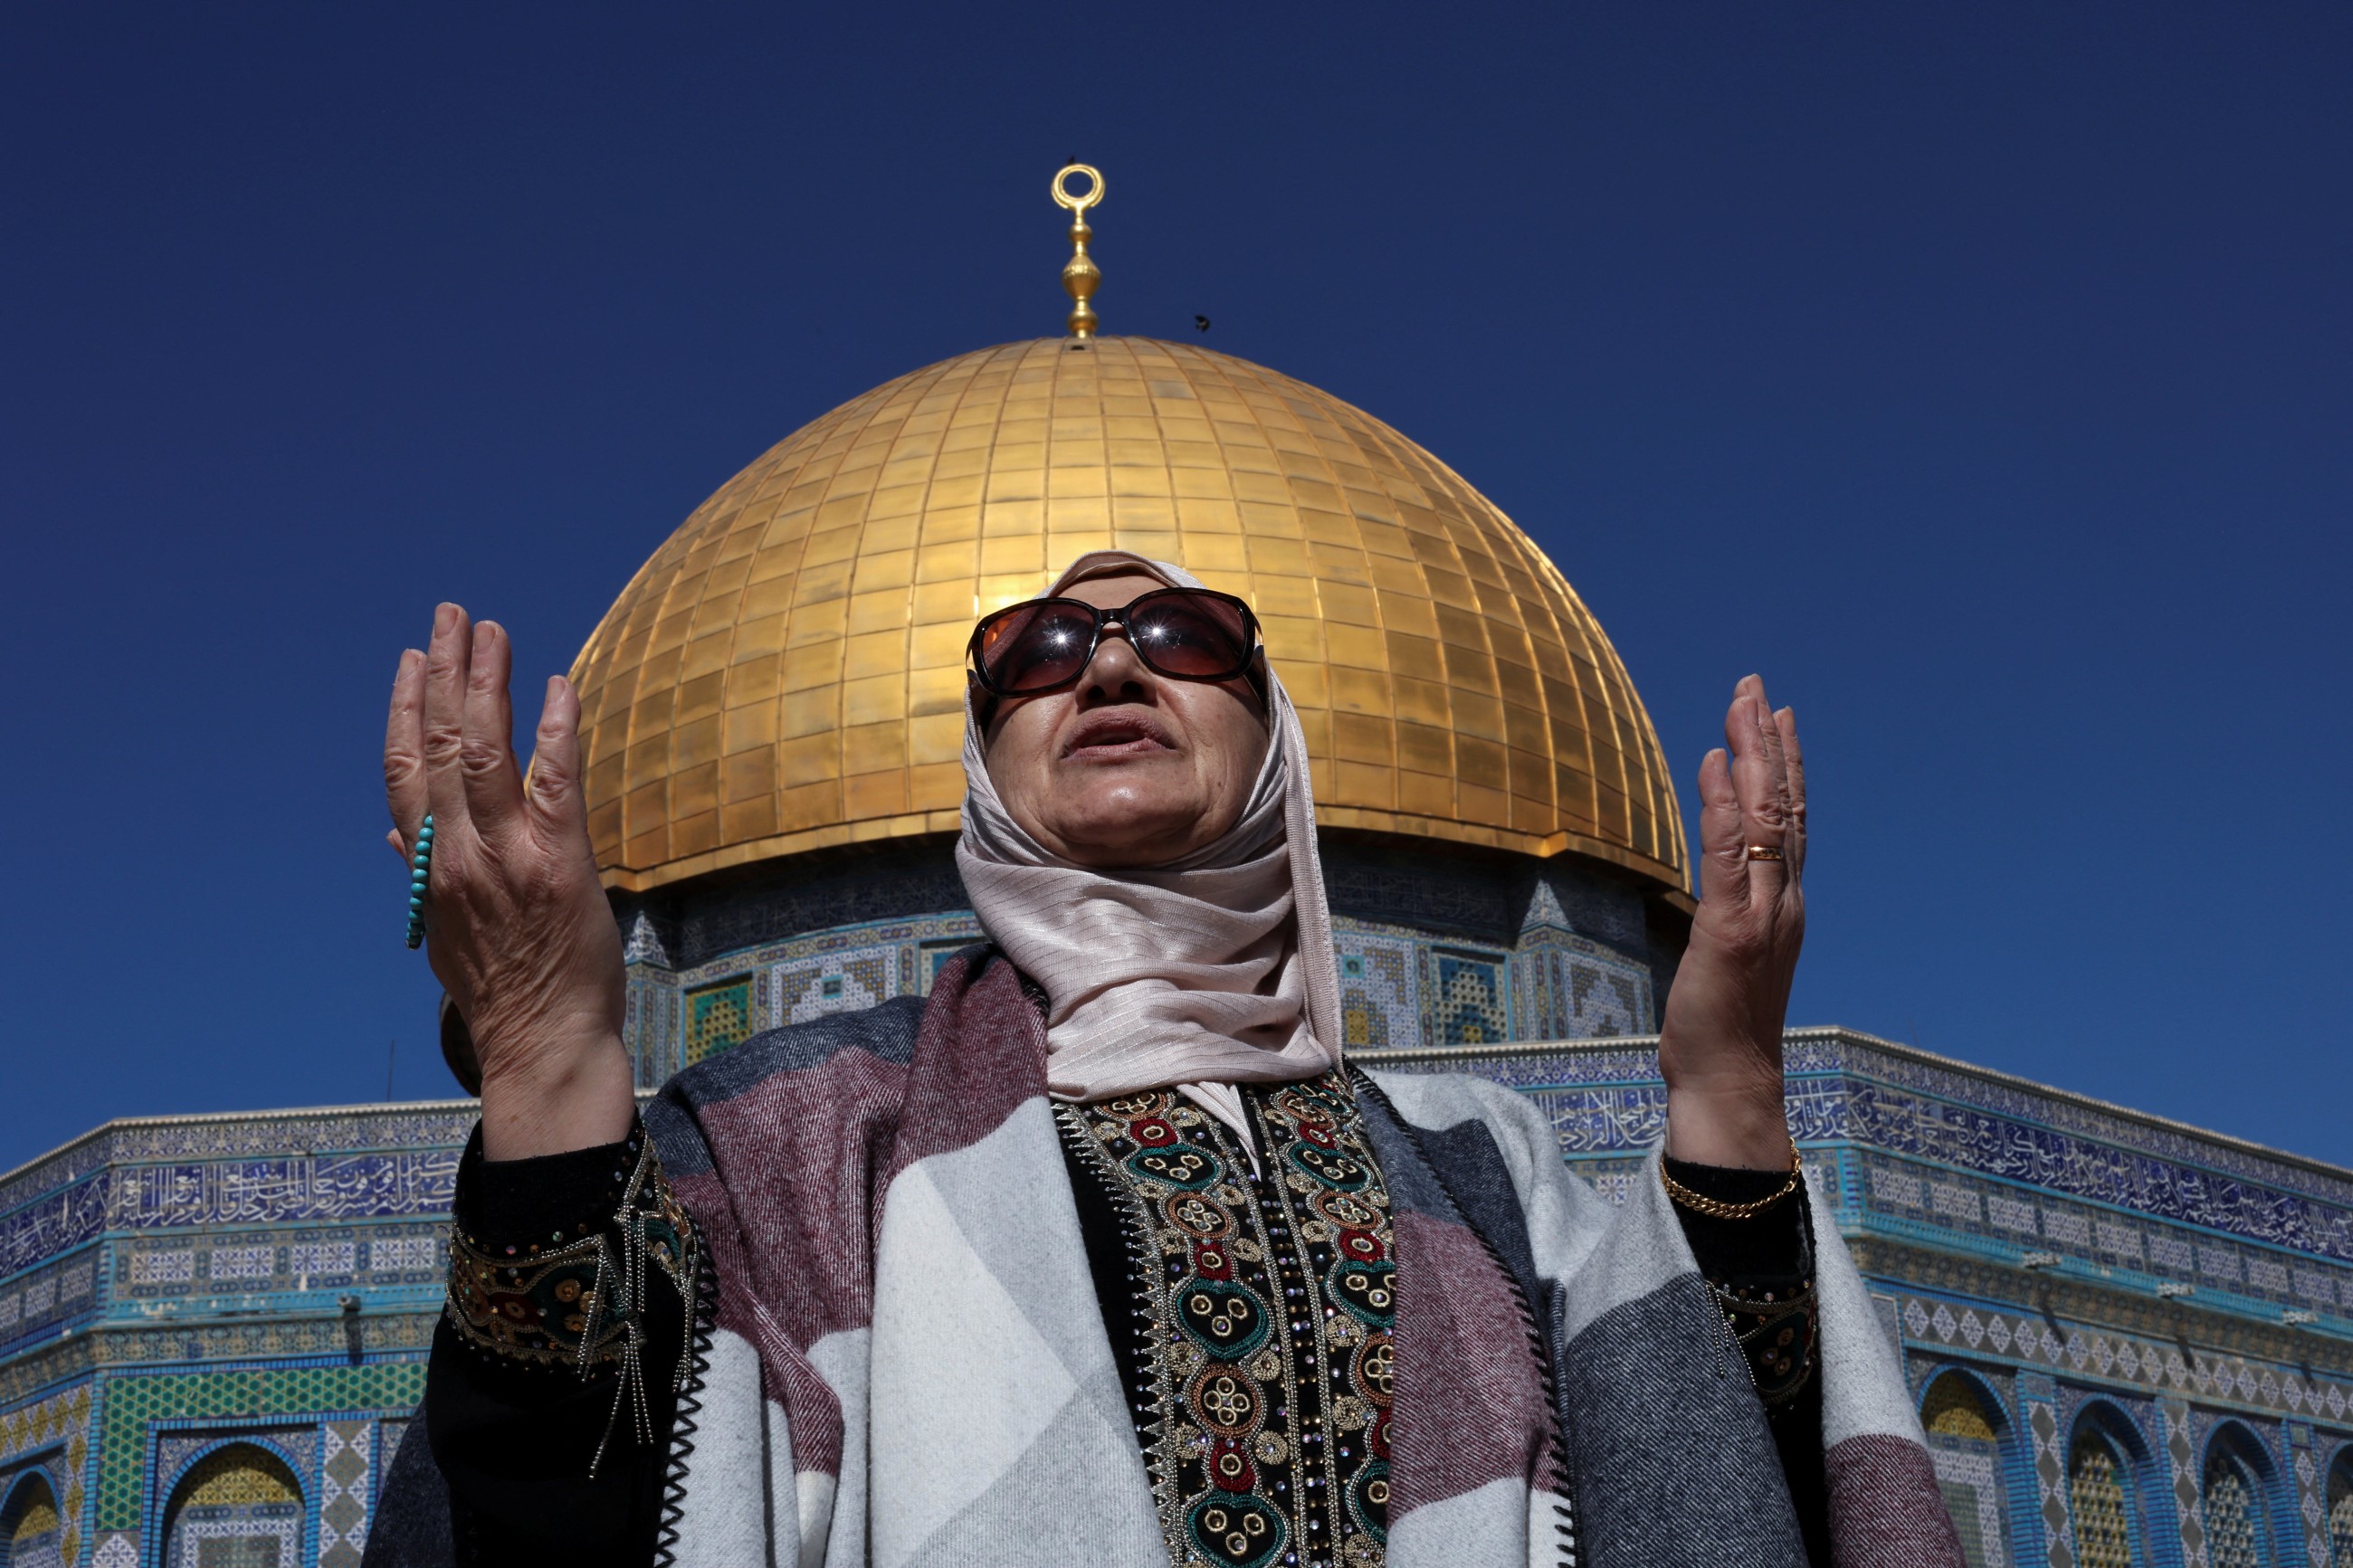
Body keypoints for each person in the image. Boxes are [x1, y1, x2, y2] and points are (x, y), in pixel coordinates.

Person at [364, 551, 1962, 1568]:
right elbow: (572, 1505)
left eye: (1183, 637)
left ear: (1278, 748)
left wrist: (1733, 1096)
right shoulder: (807, 1142)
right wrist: (554, 1068)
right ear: (980, 773)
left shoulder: (1484, 1166)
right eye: (1034, 653)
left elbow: (1716, 1490)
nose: (1108, 667)